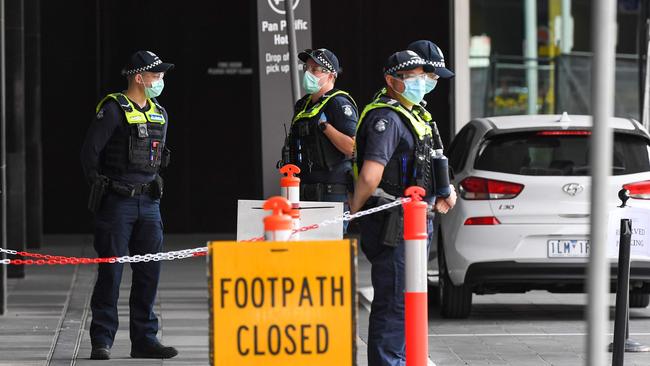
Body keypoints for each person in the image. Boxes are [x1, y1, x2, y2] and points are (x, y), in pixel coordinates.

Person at [350, 50, 457, 366]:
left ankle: (405, 359)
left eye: (422, 75)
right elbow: (371, 175)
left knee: (410, 300)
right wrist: (354, 211)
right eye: (412, 76)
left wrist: (441, 191)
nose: (421, 81)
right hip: (393, 222)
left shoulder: (413, 113)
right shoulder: (388, 118)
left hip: (413, 220)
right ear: (391, 80)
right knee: (396, 301)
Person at [81, 50, 178, 360]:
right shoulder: (112, 109)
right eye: (156, 75)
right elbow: (89, 155)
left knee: (149, 273)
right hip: (117, 204)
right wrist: (104, 188)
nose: (160, 81)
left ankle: (145, 339)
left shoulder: (159, 112)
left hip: (149, 203)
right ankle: (102, 340)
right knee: (111, 272)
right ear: (139, 77)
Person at [281, 48, 358, 203]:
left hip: (332, 191)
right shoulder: (302, 104)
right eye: (306, 68)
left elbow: (353, 148)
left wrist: (325, 127)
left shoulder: (338, 103)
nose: (308, 73)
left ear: (330, 75)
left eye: (315, 69)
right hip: (302, 187)